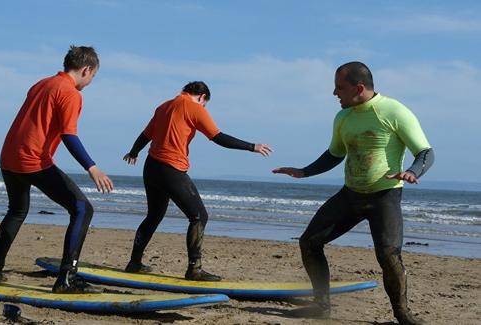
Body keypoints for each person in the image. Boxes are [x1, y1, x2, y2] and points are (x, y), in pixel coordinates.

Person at [273, 62, 434, 325]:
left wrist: (413, 171)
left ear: (359, 88)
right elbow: (335, 153)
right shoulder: (343, 117)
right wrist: (304, 172)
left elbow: (425, 152)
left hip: (384, 196)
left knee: (388, 255)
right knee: (310, 242)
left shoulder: (393, 111)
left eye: (339, 88)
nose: (335, 94)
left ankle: (403, 316)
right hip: (351, 195)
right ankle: (321, 306)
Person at [0, 45, 114, 294]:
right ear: (86, 69)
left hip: (9, 156)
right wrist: (91, 167)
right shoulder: (71, 93)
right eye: (93, 76)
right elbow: (69, 135)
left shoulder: (42, 83)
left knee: (17, 210)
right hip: (33, 160)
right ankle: (66, 278)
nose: (91, 82)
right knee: (82, 209)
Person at [122, 81, 272, 281]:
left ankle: (134, 263)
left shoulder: (164, 106)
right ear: (202, 97)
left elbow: (145, 135)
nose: (204, 108)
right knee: (199, 216)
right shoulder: (194, 107)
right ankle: (194, 269)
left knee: (154, 215)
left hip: (151, 167)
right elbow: (217, 137)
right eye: (205, 104)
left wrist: (133, 152)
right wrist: (252, 146)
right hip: (171, 168)